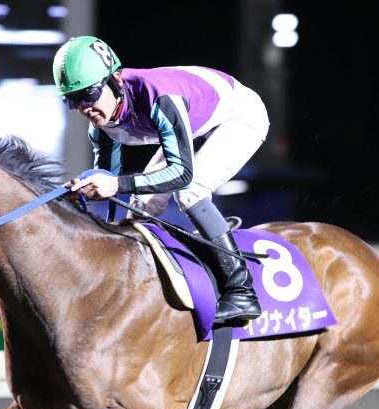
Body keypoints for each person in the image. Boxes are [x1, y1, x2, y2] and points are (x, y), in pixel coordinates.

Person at [53, 35, 269, 325]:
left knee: (191, 191)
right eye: (74, 100)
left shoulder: (157, 97)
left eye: (89, 94)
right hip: (196, 124)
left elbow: (182, 174)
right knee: (138, 207)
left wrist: (116, 185)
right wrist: (85, 191)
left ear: (115, 80)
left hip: (239, 116)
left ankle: (241, 291)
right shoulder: (100, 125)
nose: (85, 108)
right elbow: (110, 189)